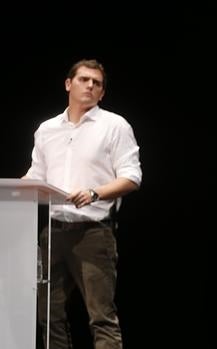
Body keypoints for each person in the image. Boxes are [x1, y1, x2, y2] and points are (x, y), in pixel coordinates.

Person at [23, 59, 142, 349]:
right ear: (68, 84)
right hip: (53, 233)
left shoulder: (114, 126)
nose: (90, 86)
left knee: (101, 316)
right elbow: (35, 177)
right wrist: (13, 189)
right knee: (48, 315)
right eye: (84, 80)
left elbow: (132, 177)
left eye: (97, 83)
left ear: (102, 93)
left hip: (94, 232)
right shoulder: (47, 129)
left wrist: (95, 192)